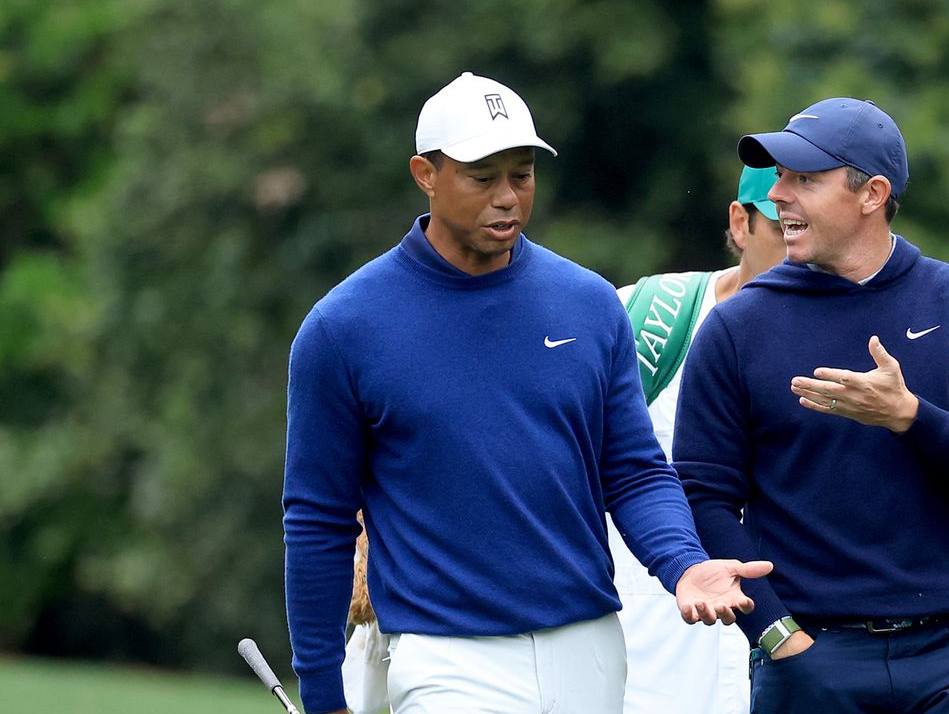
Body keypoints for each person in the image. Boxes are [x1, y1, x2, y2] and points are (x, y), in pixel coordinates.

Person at [283, 71, 771, 714]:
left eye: (522, 175)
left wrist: (682, 563)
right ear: (425, 174)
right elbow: (317, 519)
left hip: (589, 646)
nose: (508, 197)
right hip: (445, 655)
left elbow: (631, 470)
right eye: (483, 177)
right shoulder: (344, 328)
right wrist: (322, 692)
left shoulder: (589, 304)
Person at [672, 98, 949, 713]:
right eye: (779, 179)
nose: (779, 196)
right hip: (808, 659)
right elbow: (702, 494)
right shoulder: (737, 328)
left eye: (804, 180)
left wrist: (911, 418)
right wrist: (775, 634)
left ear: (872, 193)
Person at [610, 165, 785, 714]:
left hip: (794, 640)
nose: (802, 246)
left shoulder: (857, 335)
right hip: (648, 643)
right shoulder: (644, 316)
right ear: (740, 222)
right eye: (785, 227)